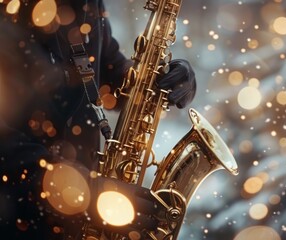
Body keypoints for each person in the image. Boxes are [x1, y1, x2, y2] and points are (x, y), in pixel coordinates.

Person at [0, 0, 196, 239]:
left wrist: (159, 79)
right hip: (17, 219)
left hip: (81, 220)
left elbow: (108, 76)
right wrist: (82, 190)